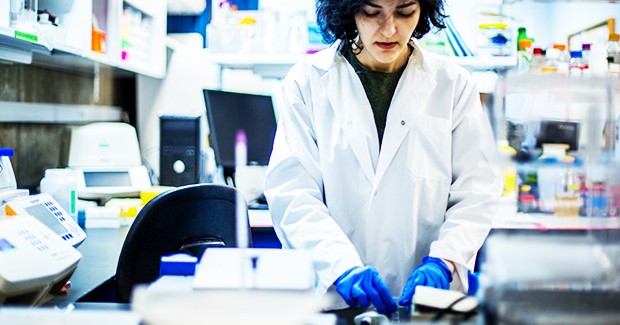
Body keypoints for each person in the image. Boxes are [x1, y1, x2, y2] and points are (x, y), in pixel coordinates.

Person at [264, 0, 501, 317]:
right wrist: (340, 266)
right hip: (333, 298)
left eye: (405, 12)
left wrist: (444, 260)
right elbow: (293, 193)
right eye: (372, 12)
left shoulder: (453, 85)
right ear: (348, 11)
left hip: (424, 301)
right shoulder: (307, 82)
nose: (390, 29)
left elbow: (477, 190)